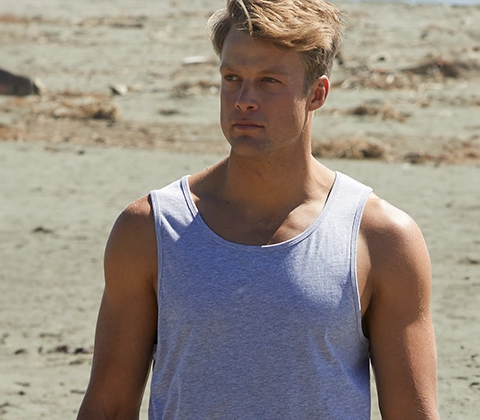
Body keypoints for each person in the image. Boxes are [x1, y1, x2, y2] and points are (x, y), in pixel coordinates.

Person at [76, 0, 440, 419]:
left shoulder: (381, 238)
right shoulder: (150, 229)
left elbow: (413, 413)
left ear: (317, 94)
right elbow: (109, 406)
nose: (244, 100)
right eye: (232, 78)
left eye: (269, 81)